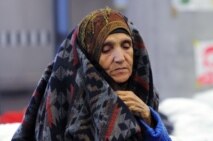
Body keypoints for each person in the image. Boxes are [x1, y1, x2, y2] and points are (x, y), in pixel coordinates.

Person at [12, 7, 172, 141]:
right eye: (106, 49)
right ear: (89, 58)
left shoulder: (142, 98)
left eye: (126, 45)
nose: (120, 58)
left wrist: (150, 119)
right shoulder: (69, 110)